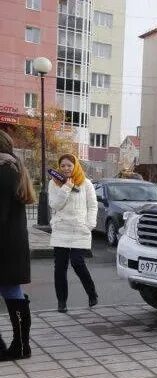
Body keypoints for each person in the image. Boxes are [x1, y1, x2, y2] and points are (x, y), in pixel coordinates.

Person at [0, 131, 36, 361]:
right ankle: (20, 346)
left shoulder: (4, 169)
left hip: (4, 244)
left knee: (12, 291)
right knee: (12, 291)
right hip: (11, 244)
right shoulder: (11, 166)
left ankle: (20, 346)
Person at [48, 154, 98, 313]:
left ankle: (92, 293)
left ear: (75, 166)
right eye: (62, 166)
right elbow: (55, 205)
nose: (66, 168)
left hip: (79, 229)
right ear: (59, 167)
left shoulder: (86, 183)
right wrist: (66, 188)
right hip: (61, 229)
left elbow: (92, 206)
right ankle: (61, 302)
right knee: (60, 267)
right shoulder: (54, 183)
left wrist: (89, 225)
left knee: (78, 263)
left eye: (69, 165)